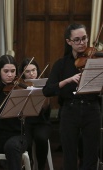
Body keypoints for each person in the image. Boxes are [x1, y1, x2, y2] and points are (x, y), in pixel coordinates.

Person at [42, 23, 101, 170]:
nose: (82, 43)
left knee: (91, 155)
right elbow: (47, 90)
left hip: (92, 110)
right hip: (69, 110)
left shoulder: (96, 61)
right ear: (69, 42)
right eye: (77, 40)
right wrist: (67, 80)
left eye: (84, 38)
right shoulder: (61, 64)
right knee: (69, 156)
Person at [19, 58, 52, 170]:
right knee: (24, 141)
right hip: (25, 122)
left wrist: (40, 94)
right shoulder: (20, 85)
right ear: (23, 74)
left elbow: (46, 107)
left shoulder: (44, 84)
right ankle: (28, 165)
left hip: (41, 122)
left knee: (41, 138)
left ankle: (41, 166)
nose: (32, 74)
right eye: (27, 72)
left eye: (34, 70)